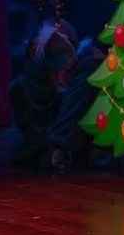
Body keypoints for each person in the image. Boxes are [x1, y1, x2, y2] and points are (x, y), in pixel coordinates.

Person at [9, 18, 105, 169]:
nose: (61, 77)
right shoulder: (38, 73)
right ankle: (52, 149)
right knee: (18, 88)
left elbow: (75, 106)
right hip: (53, 136)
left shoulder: (89, 63)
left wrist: (59, 144)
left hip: (90, 140)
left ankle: (57, 148)